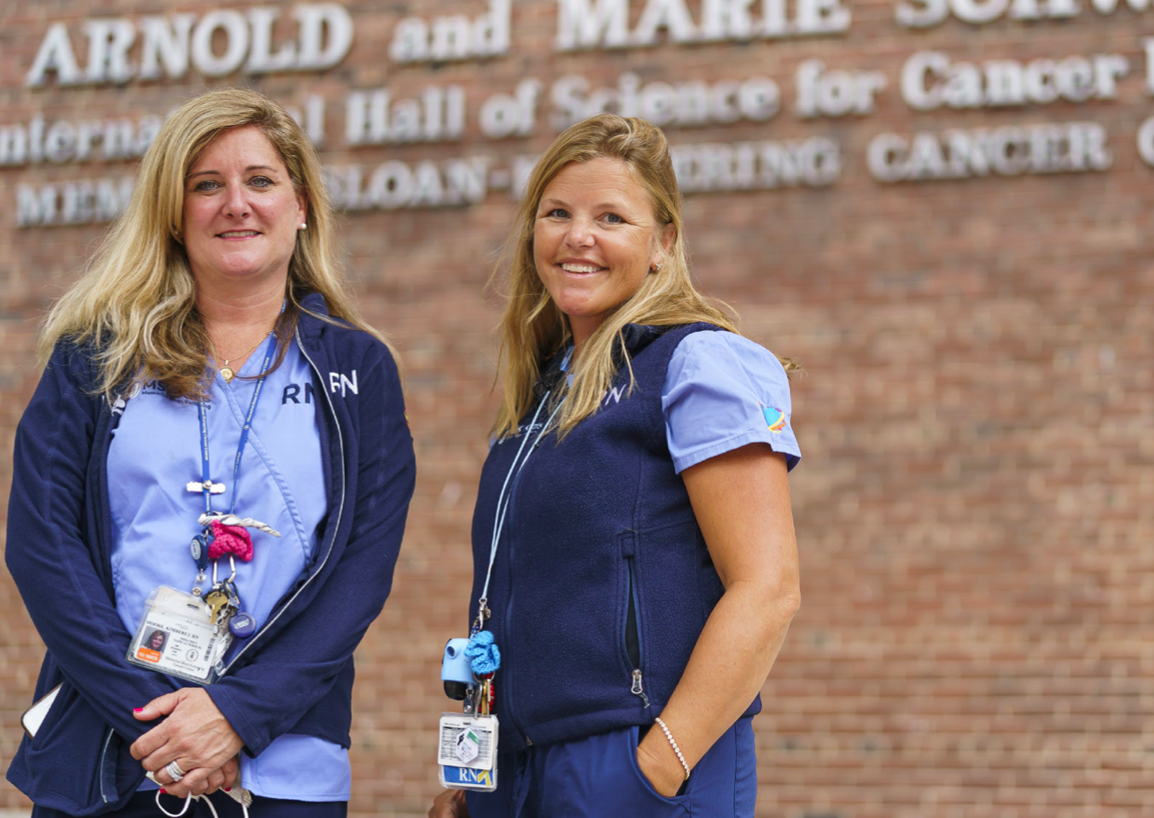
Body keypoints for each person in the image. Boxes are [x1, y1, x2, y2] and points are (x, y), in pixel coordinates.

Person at [6, 88, 416, 817]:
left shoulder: (360, 370)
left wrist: (236, 715)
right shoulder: (94, 356)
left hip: (284, 769)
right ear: (173, 213)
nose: (236, 204)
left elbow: (361, 572)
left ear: (301, 205)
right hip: (118, 749)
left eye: (260, 180)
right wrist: (158, 722)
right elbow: (43, 545)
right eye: (206, 185)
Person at [429, 113, 801, 818]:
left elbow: (768, 589)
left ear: (664, 242)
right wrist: (483, 784)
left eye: (611, 217)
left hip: (634, 762)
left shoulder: (698, 363)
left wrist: (654, 769)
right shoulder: (542, 389)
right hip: (520, 768)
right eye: (557, 213)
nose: (578, 236)